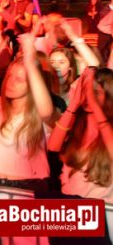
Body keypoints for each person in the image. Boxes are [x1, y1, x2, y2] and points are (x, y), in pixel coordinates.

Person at [0, 32, 56, 192]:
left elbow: (47, 112)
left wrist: (30, 63)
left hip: (28, 187)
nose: (10, 82)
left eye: (19, 79)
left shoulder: (40, 111)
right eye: (9, 76)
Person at [48, 68, 113, 202]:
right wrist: (74, 103)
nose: (89, 96)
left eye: (95, 92)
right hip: (69, 204)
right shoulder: (76, 122)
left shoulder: (109, 130)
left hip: (101, 208)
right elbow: (53, 147)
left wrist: (93, 104)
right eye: (85, 91)